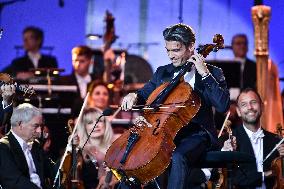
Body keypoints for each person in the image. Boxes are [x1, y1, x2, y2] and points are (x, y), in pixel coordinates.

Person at [121, 23, 230, 189]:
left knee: (177, 156)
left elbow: (222, 105)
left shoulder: (213, 73)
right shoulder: (162, 72)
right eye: (168, 50)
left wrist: (205, 74)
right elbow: (145, 93)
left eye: (176, 50)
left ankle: (204, 174)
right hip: (166, 132)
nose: (171, 56)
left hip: (198, 134)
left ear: (191, 46)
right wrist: (133, 95)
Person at [221, 88, 284, 188]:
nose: (250, 107)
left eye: (253, 102)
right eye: (244, 104)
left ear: (262, 107)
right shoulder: (227, 141)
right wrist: (265, 174)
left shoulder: (276, 141)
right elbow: (233, 178)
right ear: (238, 111)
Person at [0, 103, 54, 189]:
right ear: (20, 124)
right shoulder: (3, 148)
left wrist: (71, 148)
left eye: (40, 126)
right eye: (36, 126)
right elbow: (15, 182)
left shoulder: (36, 145)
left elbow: (52, 170)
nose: (39, 131)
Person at [75, 108, 119, 189]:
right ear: (84, 127)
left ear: (105, 124)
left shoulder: (117, 147)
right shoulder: (80, 151)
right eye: (90, 122)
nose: (96, 125)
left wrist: (117, 179)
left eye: (99, 121)